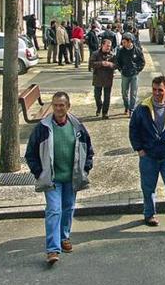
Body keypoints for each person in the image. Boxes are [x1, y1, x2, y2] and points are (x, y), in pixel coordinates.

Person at [25, 91, 94, 265]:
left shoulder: (77, 126)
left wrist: (85, 168)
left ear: (68, 106)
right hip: (53, 179)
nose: (58, 108)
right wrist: (39, 173)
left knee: (68, 208)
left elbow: (88, 149)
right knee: (54, 210)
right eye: (55, 105)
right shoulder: (43, 128)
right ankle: (52, 249)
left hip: (71, 177)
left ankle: (64, 238)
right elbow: (30, 153)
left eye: (62, 105)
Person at [129, 75, 165, 234]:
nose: (156, 93)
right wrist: (139, 149)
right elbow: (133, 129)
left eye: (160, 90)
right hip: (148, 156)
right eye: (154, 90)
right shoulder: (142, 108)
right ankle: (149, 215)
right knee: (148, 188)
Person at [116, 33, 145, 116]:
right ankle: (126, 106)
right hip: (125, 74)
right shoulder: (121, 51)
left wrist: (137, 70)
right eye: (122, 42)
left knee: (133, 93)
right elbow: (118, 61)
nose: (123, 44)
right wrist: (121, 69)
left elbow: (142, 61)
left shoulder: (137, 50)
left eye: (124, 42)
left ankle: (132, 109)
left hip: (134, 75)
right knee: (124, 93)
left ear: (129, 42)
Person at [89, 38, 116, 119]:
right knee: (97, 96)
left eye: (110, 46)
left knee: (107, 97)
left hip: (108, 78)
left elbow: (116, 65)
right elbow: (91, 64)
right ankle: (99, 106)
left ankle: (105, 112)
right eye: (107, 46)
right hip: (98, 78)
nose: (108, 48)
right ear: (102, 45)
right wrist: (101, 63)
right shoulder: (95, 54)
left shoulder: (112, 55)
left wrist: (111, 65)